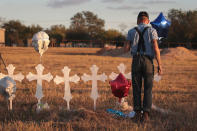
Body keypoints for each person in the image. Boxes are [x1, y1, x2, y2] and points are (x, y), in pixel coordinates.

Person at [124, 11, 163, 123]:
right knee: (148, 88)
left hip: (136, 60)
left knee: (136, 88)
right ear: (148, 21)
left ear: (137, 20)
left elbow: (125, 49)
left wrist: (128, 41)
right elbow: (156, 48)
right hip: (148, 61)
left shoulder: (131, 31)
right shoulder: (152, 30)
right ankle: (145, 114)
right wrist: (160, 65)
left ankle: (137, 113)